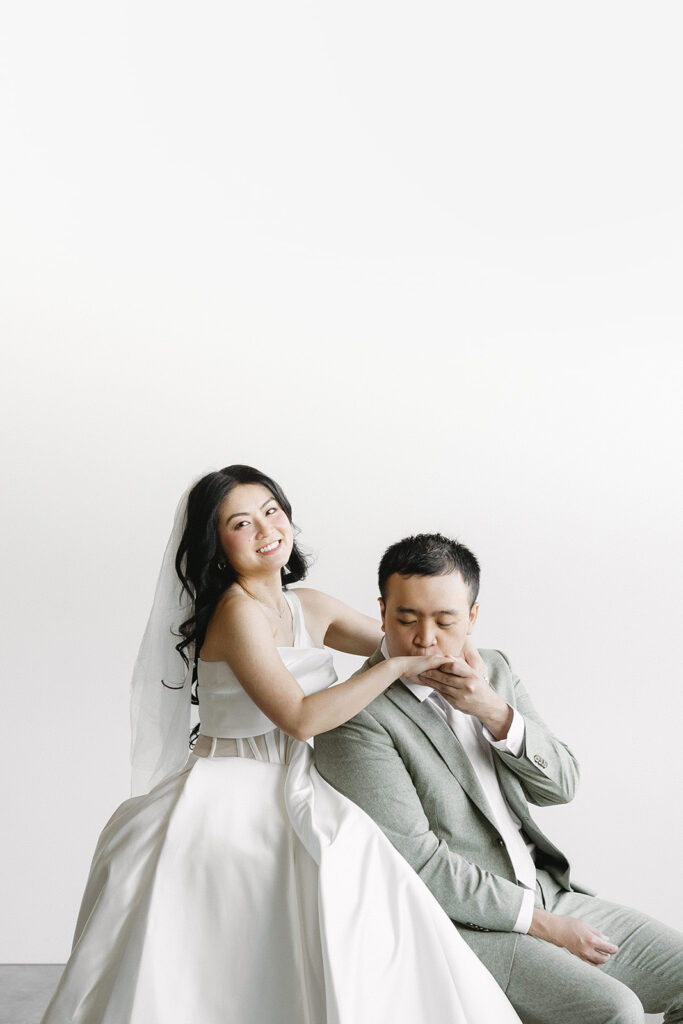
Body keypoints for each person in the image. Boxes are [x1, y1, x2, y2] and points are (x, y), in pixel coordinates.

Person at [41, 467, 523, 1024]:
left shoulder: (307, 606)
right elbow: (300, 717)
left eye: (271, 510)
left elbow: (409, 637)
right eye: (240, 523)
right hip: (231, 790)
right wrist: (395, 666)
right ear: (217, 546)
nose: (265, 528)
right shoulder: (236, 613)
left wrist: (460, 657)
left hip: (300, 782)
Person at [315, 532, 683, 1024]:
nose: (425, 639)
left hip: (549, 890)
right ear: (382, 612)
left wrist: (491, 709)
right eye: (406, 619)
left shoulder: (496, 670)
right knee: (617, 1011)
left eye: (445, 621)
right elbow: (420, 866)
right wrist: (544, 925)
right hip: (464, 926)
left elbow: (561, 786)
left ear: (472, 617)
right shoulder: (357, 715)